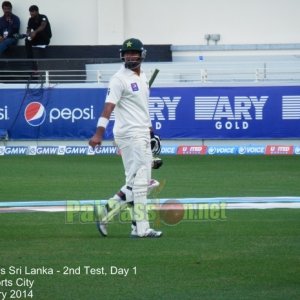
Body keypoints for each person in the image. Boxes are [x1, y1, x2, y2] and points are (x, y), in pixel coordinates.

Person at [89, 38, 163, 238]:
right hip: (129, 134)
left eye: (134, 53)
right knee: (140, 184)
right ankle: (141, 228)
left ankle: (122, 218)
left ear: (142, 55)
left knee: (139, 182)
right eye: (127, 53)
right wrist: (98, 133)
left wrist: (150, 131)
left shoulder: (144, 77)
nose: (130, 56)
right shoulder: (118, 79)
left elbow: (142, 108)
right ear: (122, 55)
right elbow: (108, 107)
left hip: (141, 132)